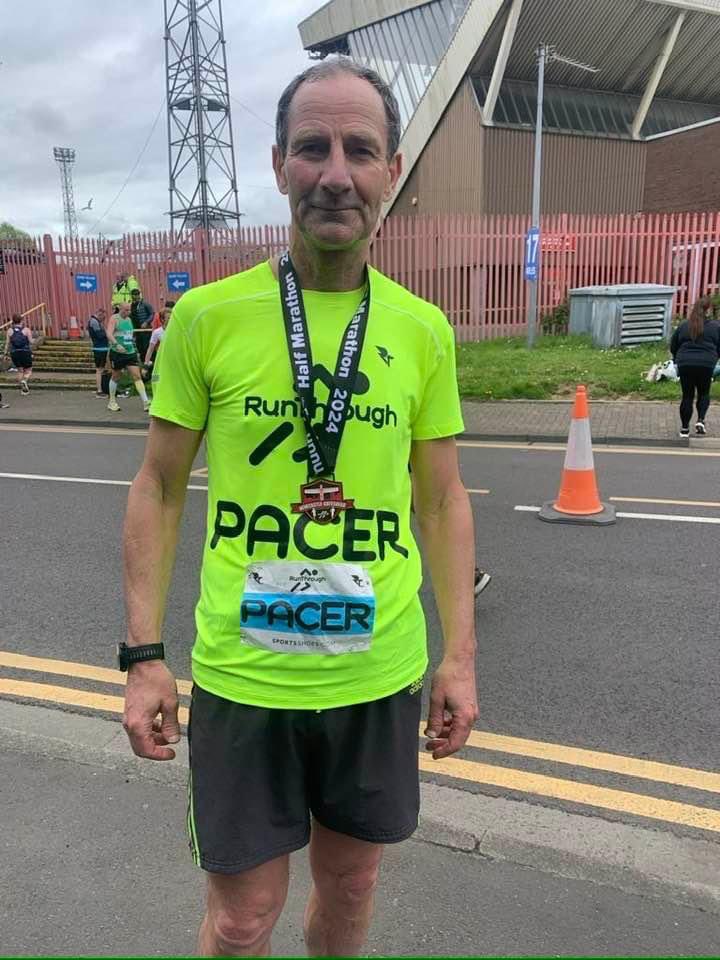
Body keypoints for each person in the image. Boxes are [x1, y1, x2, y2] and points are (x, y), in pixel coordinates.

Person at [121, 58, 477, 958]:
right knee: (242, 921)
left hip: (376, 673)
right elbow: (158, 488)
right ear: (278, 164)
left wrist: (459, 658)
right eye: (312, 147)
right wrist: (143, 657)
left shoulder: (422, 330)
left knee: (352, 893)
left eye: (360, 149)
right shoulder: (207, 317)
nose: (335, 171)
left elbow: (439, 499)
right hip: (246, 680)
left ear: (391, 170)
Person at [670, 296, 720, 437]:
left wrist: (676, 359)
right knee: (704, 393)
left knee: (687, 396)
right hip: (706, 364)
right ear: (708, 310)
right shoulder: (716, 326)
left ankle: (684, 429)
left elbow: (674, 345)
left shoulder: (684, 325)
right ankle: (700, 420)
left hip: (685, 363)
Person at [105, 302, 150, 413]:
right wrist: (116, 344)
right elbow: (109, 334)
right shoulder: (114, 319)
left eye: (129, 310)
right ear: (120, 308)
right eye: (126, 310)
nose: (128, 312)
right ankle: (112, 401)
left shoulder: (129, 320)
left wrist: (134, 348)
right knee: (116, 376)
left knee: (137, 376)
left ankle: (146, 402)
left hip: (130, 352)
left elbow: (129, 335)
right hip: (117, 353)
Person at [3, 313, 33, 394]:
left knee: (20, 371)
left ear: (13, 321)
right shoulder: (26, 330)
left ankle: (23, 390)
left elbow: (7, 343)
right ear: (22, 320)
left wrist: (5, 353)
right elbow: (31, 342)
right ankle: (24, 380)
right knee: (29, 370)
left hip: (14, 353)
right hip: (25, 351)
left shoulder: (9, 330)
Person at [87, 307, 110, 397]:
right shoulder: (94, 322)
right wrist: (107, 332)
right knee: (99, 370)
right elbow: (100, 335)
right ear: (100, 314)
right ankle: (99, 390)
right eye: (103, 317)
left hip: (101, 348)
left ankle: (101, 388)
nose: (103, 320)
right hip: (99, 348)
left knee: (101, 369)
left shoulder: (95, 322)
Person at [130, 287, 155, 362]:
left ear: (139, 295)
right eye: (133, 295)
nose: (135, 296)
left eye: (137, 294)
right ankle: (143, 364)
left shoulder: (145, 304)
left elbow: (152, 314)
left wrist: (146, 322)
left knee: (146, 347)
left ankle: (150, 363)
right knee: (140, 348)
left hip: (145, 330)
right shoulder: (131, 305)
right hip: (137, 331)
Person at [143, 305, 171, 370]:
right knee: (156, 378)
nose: (171, 319)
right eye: (169, 318)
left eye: (172, 317)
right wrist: (146, 364)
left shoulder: (177, 330)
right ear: (162, 319)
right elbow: (150, 349)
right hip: (161, 360)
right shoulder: (157, 332)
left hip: (175, 360)